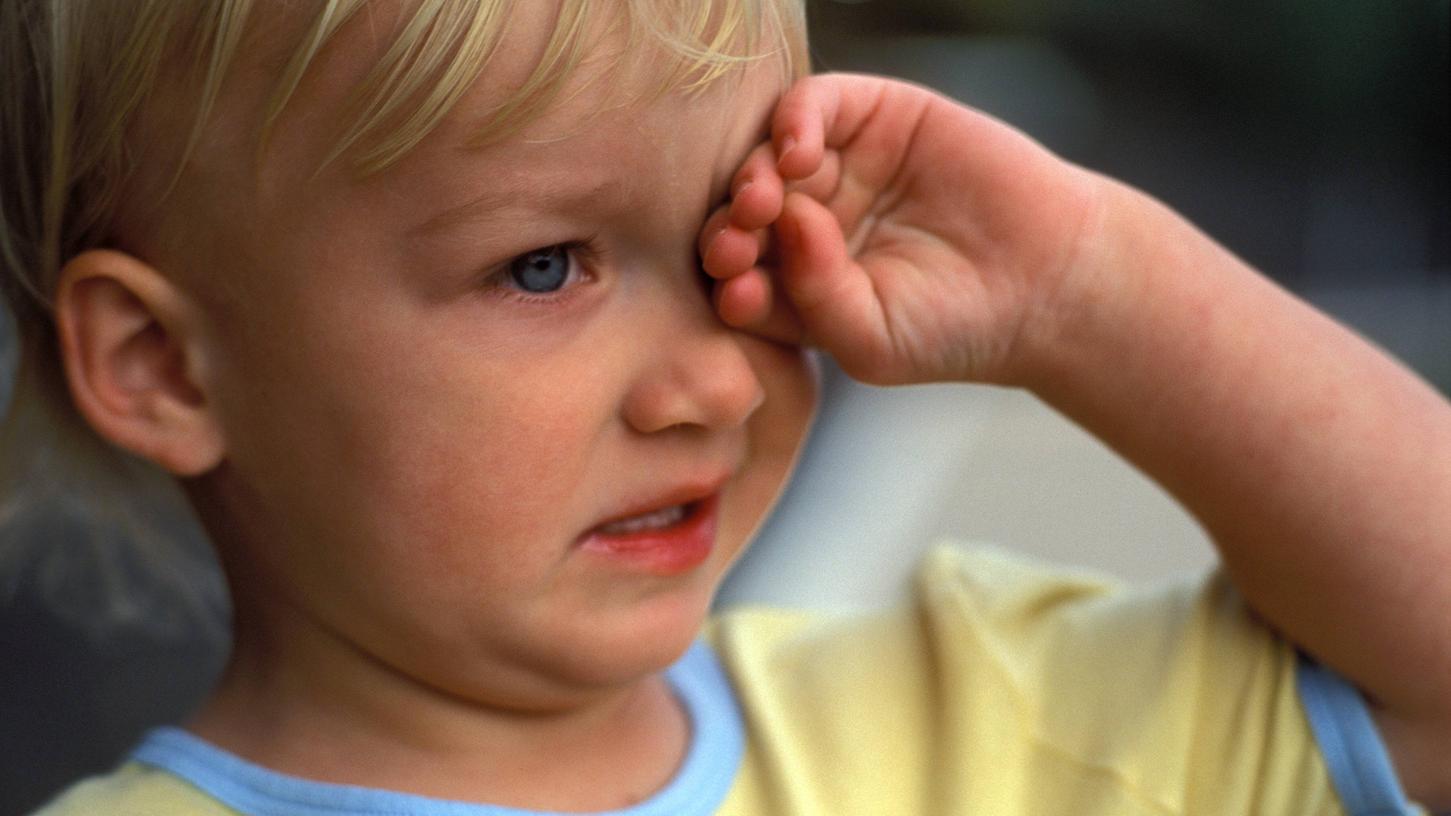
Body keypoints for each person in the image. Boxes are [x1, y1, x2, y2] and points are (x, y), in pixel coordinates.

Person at [2, 1, 1445, 813]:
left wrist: (1091, 283)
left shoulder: (979, 721)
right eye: (544, 267)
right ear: (165, 367)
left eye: (730, 243)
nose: (707, 380)